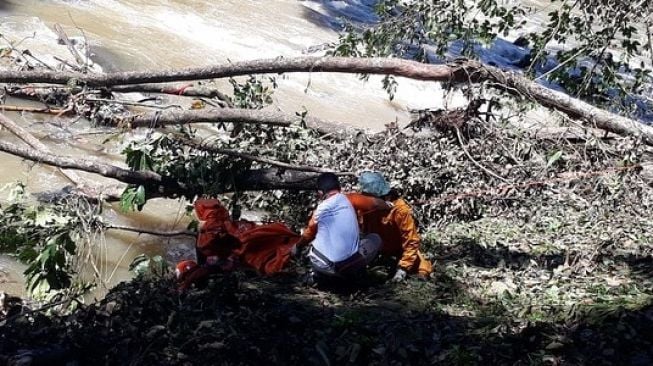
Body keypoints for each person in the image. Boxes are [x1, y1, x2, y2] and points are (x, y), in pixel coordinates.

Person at [296, 173, 381, 281]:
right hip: (348, 266)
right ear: (339, 188)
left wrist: (297, 247)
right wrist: (389, 204)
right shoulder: (350, 199)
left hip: (322, 265)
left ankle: (318, 276)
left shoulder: (319, 211)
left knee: (318, 246)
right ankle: (355, 275)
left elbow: (308, 234)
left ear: (320, 193)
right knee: (375, 238)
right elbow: (376, 204)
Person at [353, 171, 433, 281]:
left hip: (399, 247)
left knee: (421, 266)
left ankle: (418, 272)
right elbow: (362, 229)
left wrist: (403, 268)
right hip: (376, 246)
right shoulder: (366, 207)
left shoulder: (400, 209)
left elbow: (411, 240)